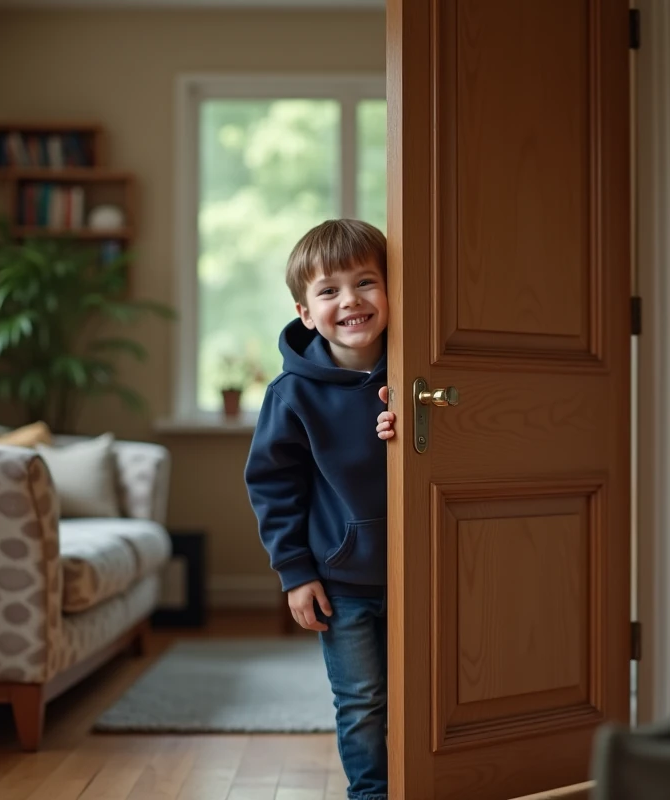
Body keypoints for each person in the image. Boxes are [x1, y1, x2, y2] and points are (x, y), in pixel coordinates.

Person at [244, 218, 395, 800]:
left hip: (418, 570)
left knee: (421, 696)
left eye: (366, 283)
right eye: (329, 291)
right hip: (342, 581)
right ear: (306, 313)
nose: (351, 300)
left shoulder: (419, 377)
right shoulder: (291, 394)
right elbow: (274, 487)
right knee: (361, 703)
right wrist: (296, 574)